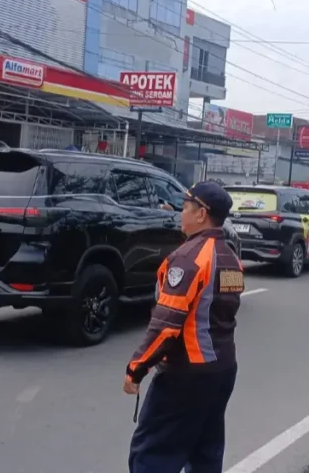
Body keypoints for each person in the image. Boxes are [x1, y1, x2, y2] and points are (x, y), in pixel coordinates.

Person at [125, 181, 243, 473]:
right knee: (205, 452)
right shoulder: (231, 258)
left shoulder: (188, 258)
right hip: (222, 370)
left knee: (153, 454)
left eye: (185, 207)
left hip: (186, 375)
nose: (181, 213)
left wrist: (136, 368)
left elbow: (166, 325)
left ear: (201, 214)